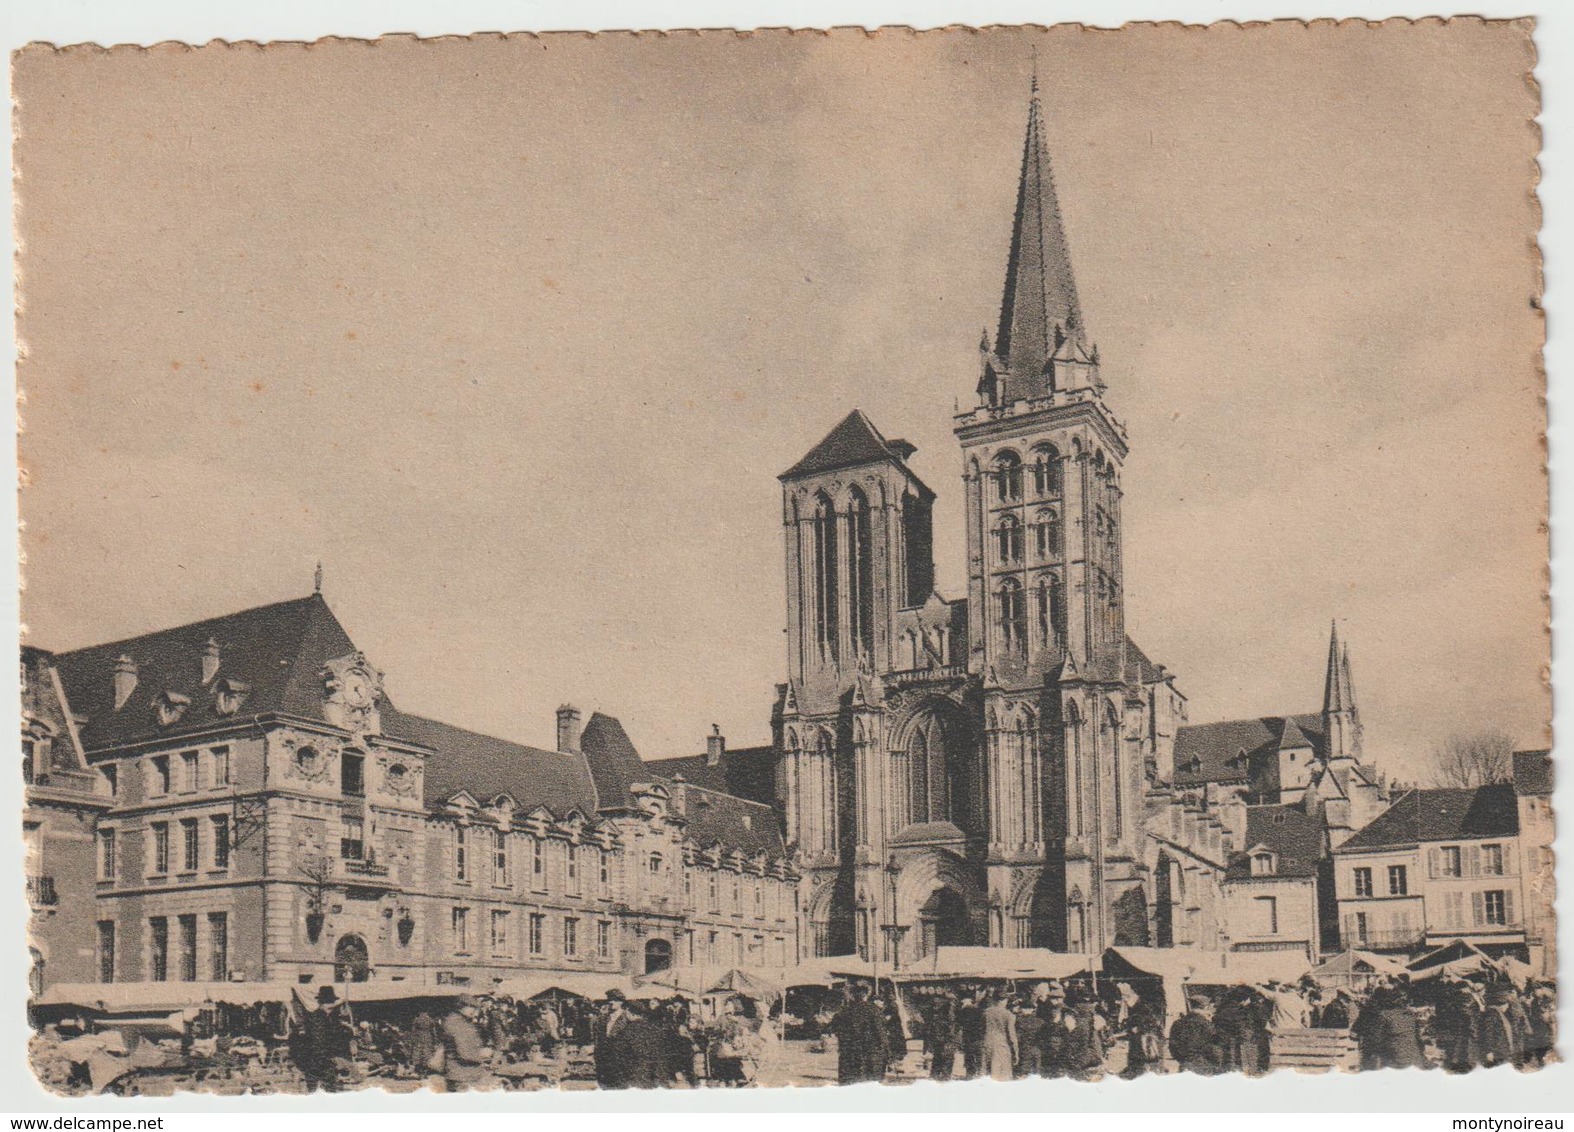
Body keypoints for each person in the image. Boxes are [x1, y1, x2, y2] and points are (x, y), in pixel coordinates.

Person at [829, 983, 890, 1085]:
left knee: (850, 1086)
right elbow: (880, 1033)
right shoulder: (874, 1010)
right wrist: (887, 1050)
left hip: (849, 1055)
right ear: (867, 995)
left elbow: (835, 1029)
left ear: (852, 995)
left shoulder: (845, 1011)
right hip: (870, 1055)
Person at [439, 995, 493, 1092]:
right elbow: (465, 1053)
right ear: (461, 1007)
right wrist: (484, 1054)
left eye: (475, 1008)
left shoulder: (460, 1021)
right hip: (463, 1075)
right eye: (470, 1007)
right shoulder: (458, 1024)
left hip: (460, 1074)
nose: (474, 1011)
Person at [1168, 992, 1221, 1076]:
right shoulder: (1205, 1024)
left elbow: (1172, 1047)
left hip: (1184, 1066)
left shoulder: (1178, 1023)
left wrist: (1182, 1061)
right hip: (1204, 1067)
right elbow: (1214, 1046)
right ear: (1205, 1007)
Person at [592, 990, 631, 1088]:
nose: (610, 1002)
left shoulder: (627, 1018)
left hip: (621, 1062)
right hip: (605, 1062)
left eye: (614, 1000)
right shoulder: (604, 1018)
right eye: (609, 999)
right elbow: (598, 1037)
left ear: (621, 1002)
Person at [980, 988, 1018, 1082]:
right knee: (1003, 1075)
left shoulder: (986, 1013)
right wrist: (1016, 1052)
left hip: (987, 1044)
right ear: (1005, 1000)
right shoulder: (1009, 1015)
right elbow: (1011, 1035)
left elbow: (981, 1029)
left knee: (988, 1074)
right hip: (1002, 1046)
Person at [923, 988, 960, 1081]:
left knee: (938, 1057)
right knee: (947, 1058)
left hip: (938, 1037)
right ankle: (944, 1079)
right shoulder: (949, 1008)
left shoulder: (937, 1011)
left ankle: (935, 1077)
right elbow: (952, 1024)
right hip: (946, 1038)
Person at [957, 987, 987, 1079]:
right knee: (978, 1058)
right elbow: (983, 1025)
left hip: (968, 1039)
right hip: (978, 1038)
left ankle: (970, 1075)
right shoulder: (979, 1011)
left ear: (964, 1001)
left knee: (969, 1058)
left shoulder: (962, 1011)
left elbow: (960, 1026)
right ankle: (979, 1076)